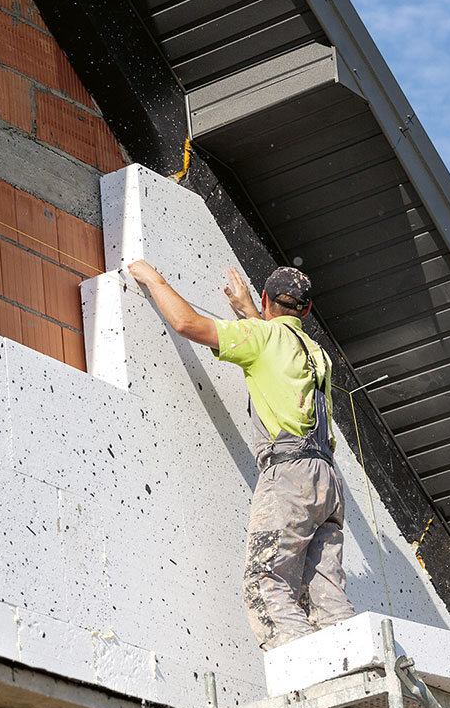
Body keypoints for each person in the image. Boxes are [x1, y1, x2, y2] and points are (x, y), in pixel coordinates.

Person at [126, 259, 355, 650]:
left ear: (266, 299)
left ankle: (306, 672)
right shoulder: (316, 352)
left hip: (289, 477)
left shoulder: (263, 338)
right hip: (327, 481)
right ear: (308, 310)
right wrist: (251, 311)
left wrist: (152, 277)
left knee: (265, 581)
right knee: (325, 594)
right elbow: (278, 347)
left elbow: (188, 325)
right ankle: (359, 663)